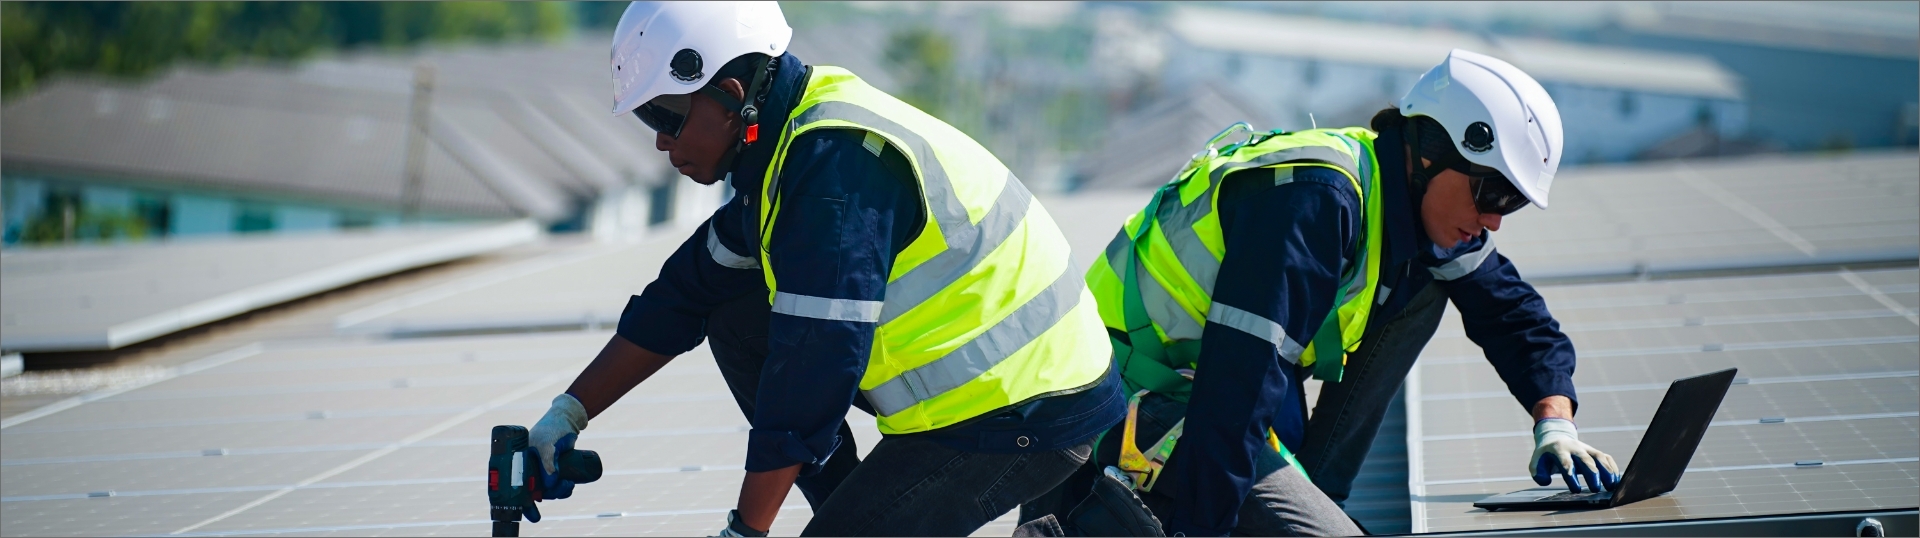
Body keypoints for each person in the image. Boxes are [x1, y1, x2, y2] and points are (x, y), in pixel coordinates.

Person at [523, 2, 1125, 536]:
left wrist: (744, 530)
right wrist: (567, 414)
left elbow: (812, 370)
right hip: (990, 398)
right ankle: (854, 509)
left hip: (1026, 409)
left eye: (665, 117)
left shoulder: (833, 176)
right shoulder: (789, 141)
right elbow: (685, 293)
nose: (659, 143)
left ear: (732, 96)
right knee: (734, 313)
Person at [1023, 49, 1619, 536]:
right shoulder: (1313, 202)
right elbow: (1238, 396)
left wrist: (1555, 423)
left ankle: (1315, 494)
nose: (1494, 221)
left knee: (1433, 282)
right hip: (1120, 400)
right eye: (1493, 194)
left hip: (1203, 389)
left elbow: (1514, 315)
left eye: (1511, 203)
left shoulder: (1412, 202)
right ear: (1432, 151)